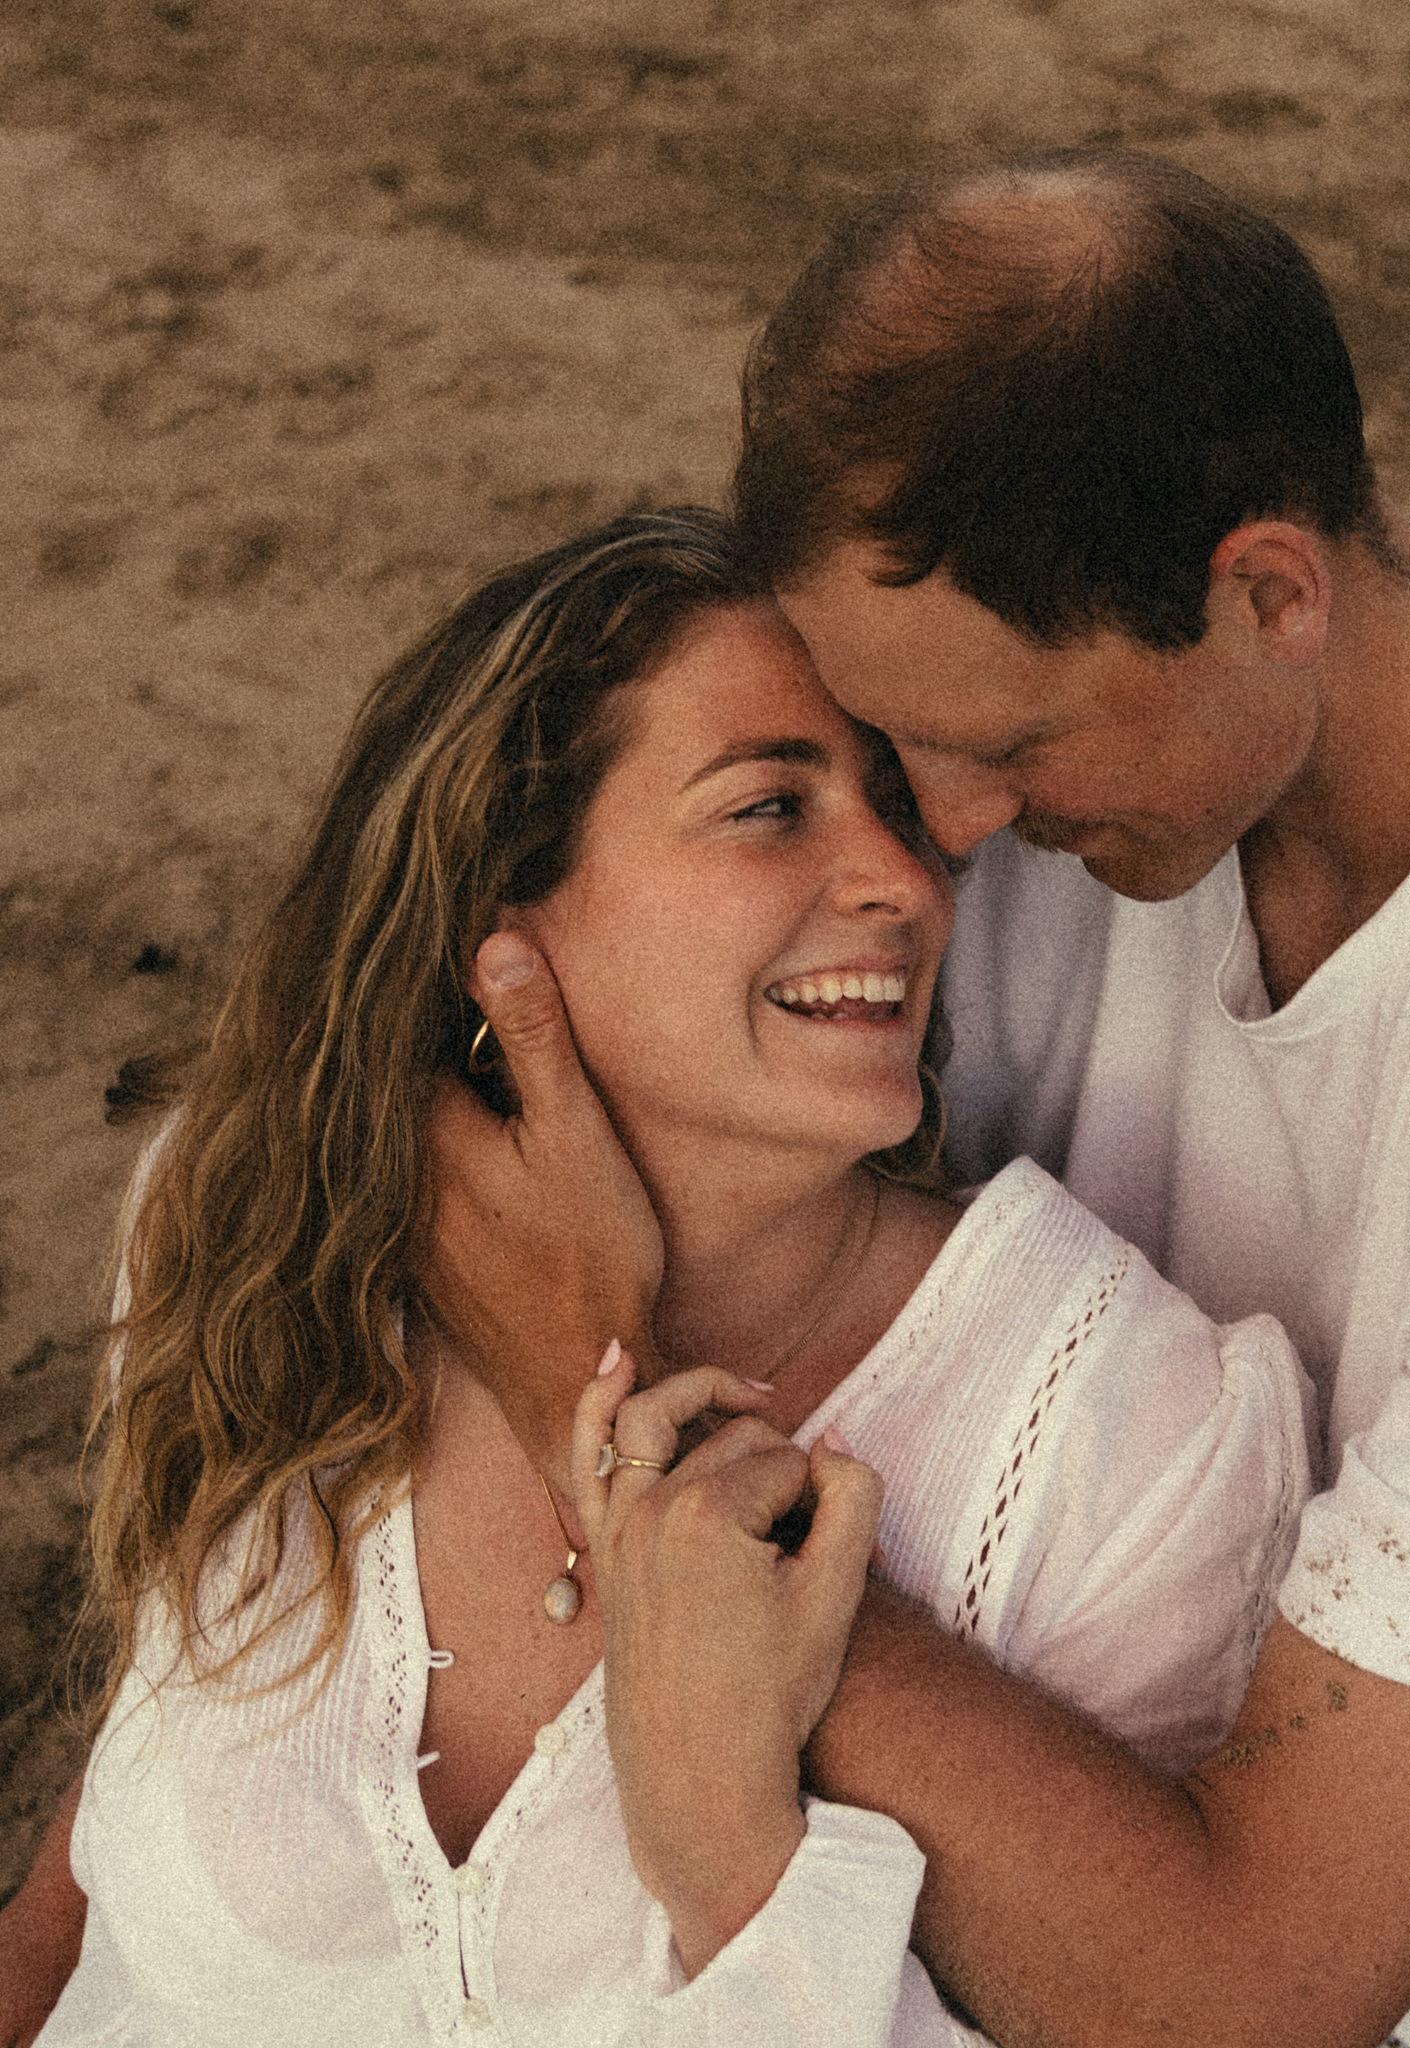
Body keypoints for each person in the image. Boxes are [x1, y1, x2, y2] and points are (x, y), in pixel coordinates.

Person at [418, 151, 1410, 2047]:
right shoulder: (1088, 773)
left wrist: (626, 1421)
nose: (940, 836)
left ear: (1269, 593)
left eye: (1005, 744)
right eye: (894, 741)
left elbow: (1251, 1997)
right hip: (973, 1715)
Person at [1, 509, 1309, 2046]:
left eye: (899, 806)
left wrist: (742, 1876)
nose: (904, 882)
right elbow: (125, 1818)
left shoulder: (1121, 1446)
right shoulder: (254, 1222)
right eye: (771, 808)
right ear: (500, 915)